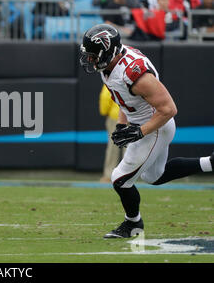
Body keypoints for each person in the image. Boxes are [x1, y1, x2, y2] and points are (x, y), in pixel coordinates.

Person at [79, 23, 214, 238]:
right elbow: (124, 101)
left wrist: (140, 131)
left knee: (120, 179)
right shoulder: (111, 65)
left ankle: (133, 224)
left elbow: (169, 109)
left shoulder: (134, 74)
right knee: (154, 176)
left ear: (108, 51)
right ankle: (211, 163)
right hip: (145, 124)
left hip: (155, 126)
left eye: (94, 55)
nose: (91, 59)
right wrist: (123, 124)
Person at [99, 85, 122, 183]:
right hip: (132, 115)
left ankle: (109, 175)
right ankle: (130, 175)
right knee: (130, 146)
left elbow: (105, 97)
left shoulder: (111, 78)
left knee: (113, 146)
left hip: (115, 116)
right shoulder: (131, 76)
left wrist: (104, 111)